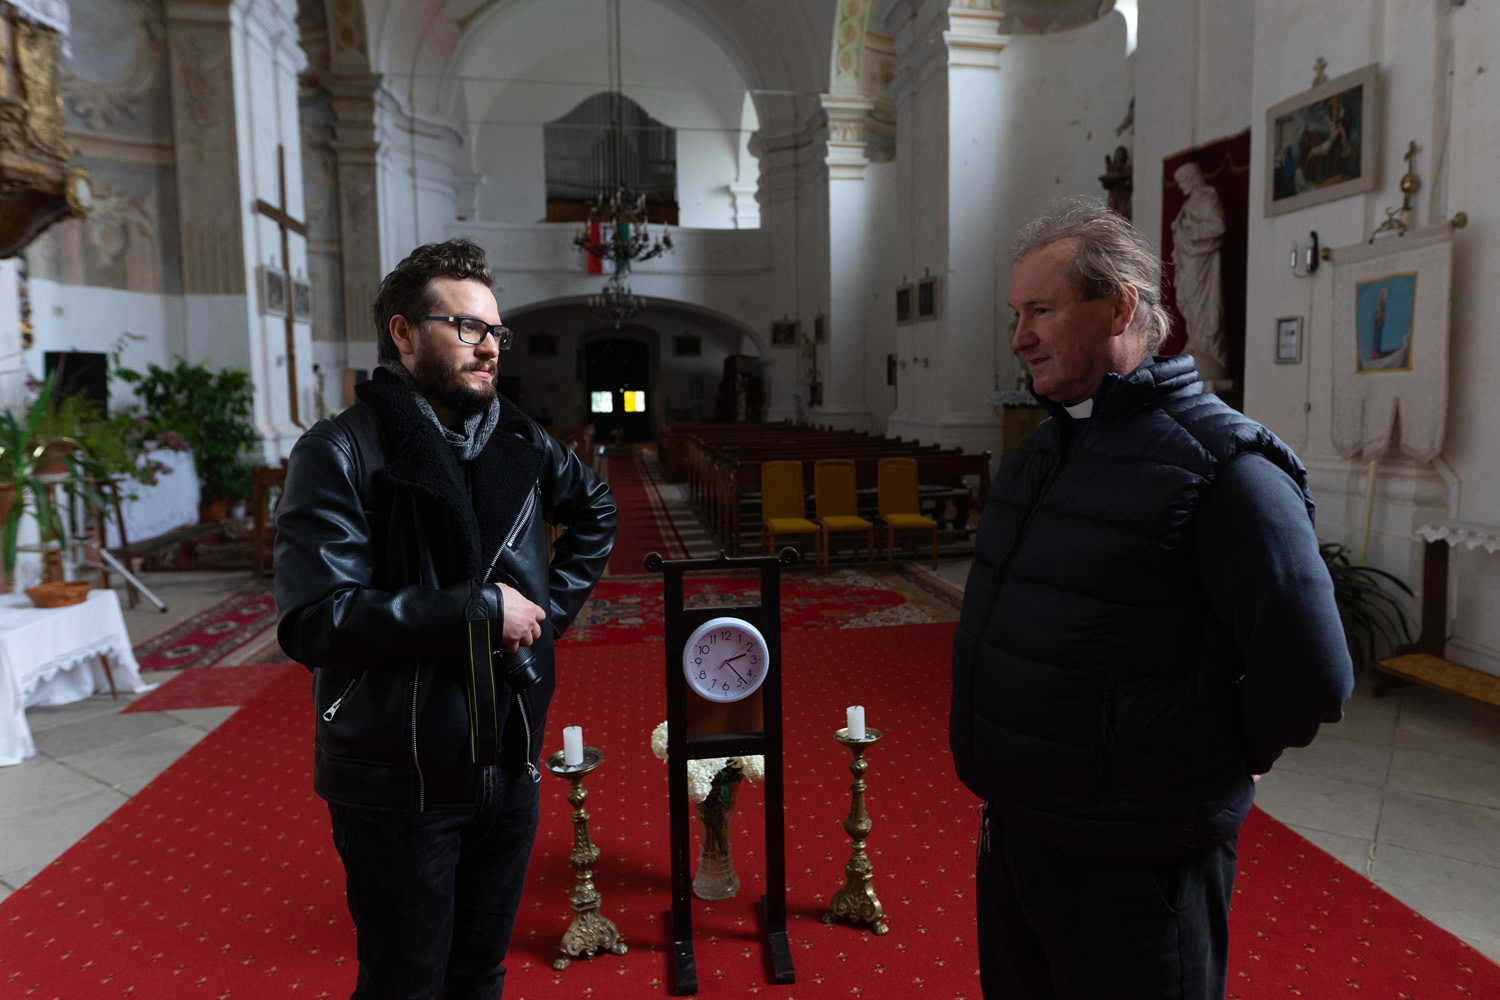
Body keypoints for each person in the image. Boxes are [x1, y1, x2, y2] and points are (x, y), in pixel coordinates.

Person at [950, 200, 1353, 1000]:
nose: (1020, 336)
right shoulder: (1042, 454)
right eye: (1016, 315)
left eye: (1041, 311)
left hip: (1133, 863)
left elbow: (1311, 673)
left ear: (1120, 307)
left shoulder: (1224, 467)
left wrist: (1224, 759)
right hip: (1018, 836)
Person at [275, 237, 617, 999]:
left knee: (479, 976)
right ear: (403, 333)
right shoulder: (339, 451)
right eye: (467, 327)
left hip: (508, 763)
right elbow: (316, 620)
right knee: (406, 986)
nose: (489, 347)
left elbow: (596, 506)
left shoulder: (517, 436)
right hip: (400, 778)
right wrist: (480, 610)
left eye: (496, 331)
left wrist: (545, 618)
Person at [1171, 161, 1228, 383]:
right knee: (1188, 300)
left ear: (1193, 178)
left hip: (1201, 261)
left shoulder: (1208, 198)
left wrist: (1190, 227)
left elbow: (1218, 226)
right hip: (1187, 261)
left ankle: (1205, 347)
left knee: (1201, 302)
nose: (1181, 186)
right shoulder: (1188, 203)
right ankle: (1195, 343)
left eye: (1183, 181)